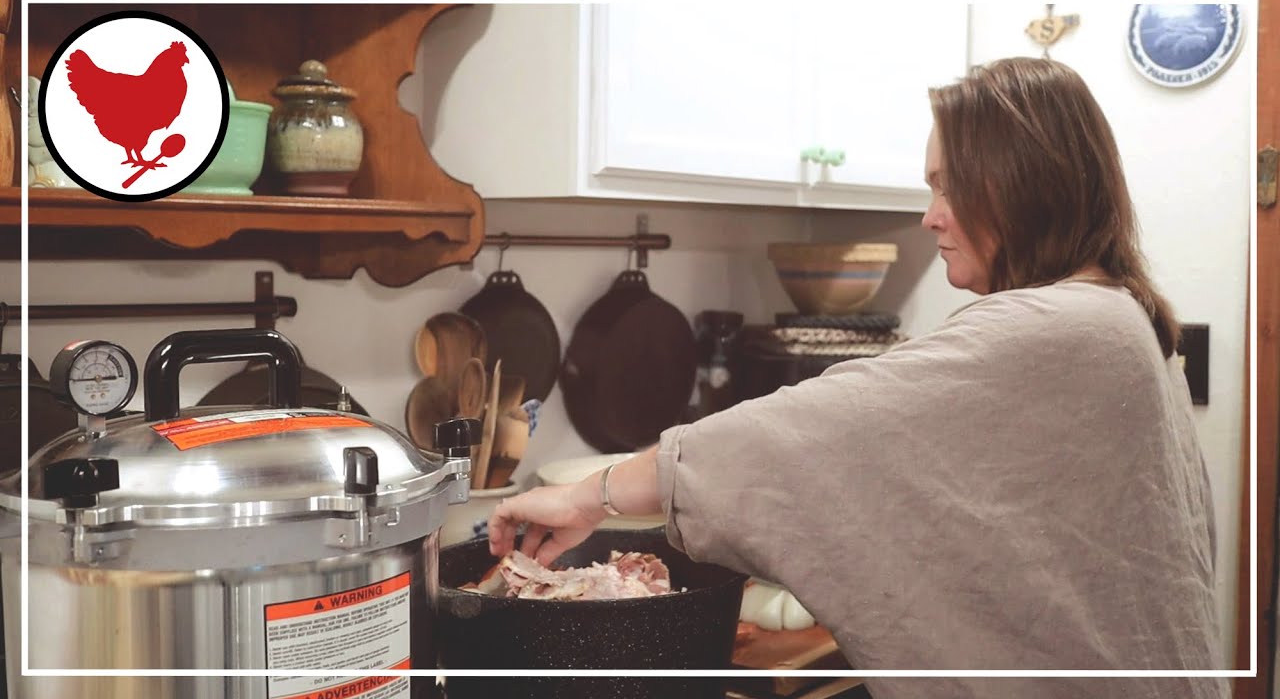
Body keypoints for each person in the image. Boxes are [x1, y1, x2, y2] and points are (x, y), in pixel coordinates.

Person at [488, 57, 1226, 699]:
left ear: (1019, 185)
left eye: (948, 187)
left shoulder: (1065, 327)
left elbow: (794, 435)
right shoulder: (1120, 313)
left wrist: (587, 496)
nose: (931, 217)